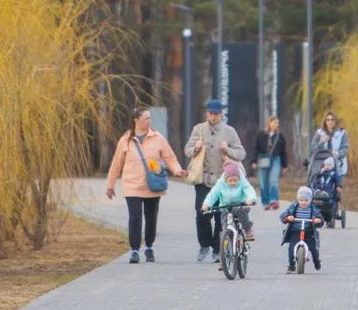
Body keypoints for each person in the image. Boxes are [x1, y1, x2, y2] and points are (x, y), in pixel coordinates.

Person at [104, 106, 187, 264]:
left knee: (151, 217)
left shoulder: (158, 137)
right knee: (135, 217)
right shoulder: (125, 140)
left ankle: (149, 246)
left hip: (152, 185)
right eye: (146, 118)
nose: (150, 121)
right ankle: (135, 250)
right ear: (137, 120)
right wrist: (110, 185)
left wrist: (177, 170)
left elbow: (170, 157)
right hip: (132, 185)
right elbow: (116, 165)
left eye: (150, 118)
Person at [182, 98, 246, 263]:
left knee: (220, 215)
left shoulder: (229, 131)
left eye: (216, 113)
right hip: (202, 179)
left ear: (221, 114)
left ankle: (218, 248)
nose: (213, 116)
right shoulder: (199, 129)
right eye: (210, 113)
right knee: (202, 213)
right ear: (207, 113)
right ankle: (204, 244)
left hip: (222, 180)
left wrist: (228, 150)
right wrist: (195, 148)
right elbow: (187, 150)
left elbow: (241, 153)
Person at [200, 160, 260, 242]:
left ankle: (247, 229)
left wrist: (251, 199)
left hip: (240, 205)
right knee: (225, 224)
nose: (233, 183)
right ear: (225, 179)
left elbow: (249, 189)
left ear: (239, 178)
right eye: (230, 181)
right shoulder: (220, 184)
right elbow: (213, 194)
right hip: (225, 206)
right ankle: (226, 237)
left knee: (241, 214)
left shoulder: (243, 182)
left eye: (235, 180)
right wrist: (206, 204)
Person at [279, 185, 323, 272]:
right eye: (301, 200)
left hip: (309, 231)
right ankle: (291, 265)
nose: (304, 202)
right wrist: (288, 217)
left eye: (306, 200)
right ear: (298, 199)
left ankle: (316, 262)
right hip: (295, 231)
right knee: (291, 248)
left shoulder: (313, 208)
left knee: (313, 248)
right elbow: (282, 215)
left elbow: (320, 218)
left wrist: (318, 220)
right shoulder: (293, 207)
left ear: (310, 200)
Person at [253, 115, 289, 208]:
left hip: (276, 159)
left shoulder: (280, 136)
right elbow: (256, 148)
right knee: (263, 182)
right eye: (275, 122)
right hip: (263, 158)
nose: (277, 124)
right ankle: (266, 202)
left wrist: (285, 165)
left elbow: (283, 151)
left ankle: (274, 200)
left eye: (277, 123)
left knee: (273, 180)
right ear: (269, 123)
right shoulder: (261, 134)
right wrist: (254, 161)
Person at [309, 110, 349, 178]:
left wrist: (338, 153)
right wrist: (322, 142)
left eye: (332, 119)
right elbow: (313, 149)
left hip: (338, 166)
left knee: (336, 187)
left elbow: (345, 149)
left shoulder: (342, 133)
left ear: (336, 121)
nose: (330, 122)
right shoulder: (319, 133)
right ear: (325, 121)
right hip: (322, 166)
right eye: (328, 120)